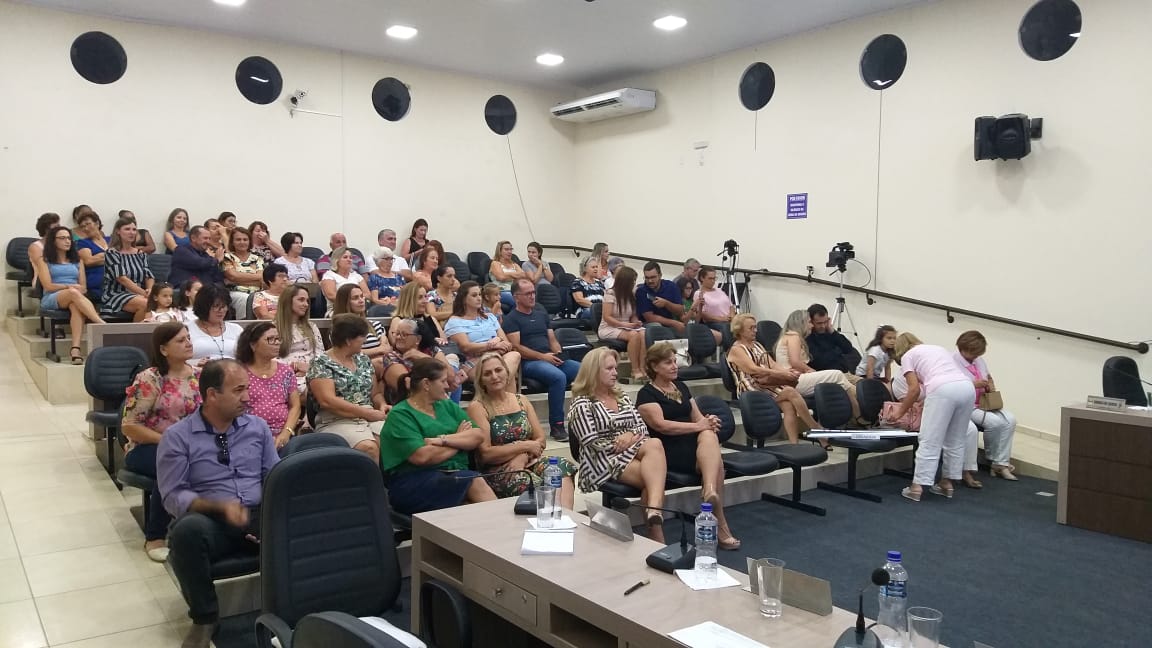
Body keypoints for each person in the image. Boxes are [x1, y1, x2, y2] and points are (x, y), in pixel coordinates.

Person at [158, 359, 279, 648]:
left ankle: (299, 606)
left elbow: (274, 475)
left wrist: (272, 512)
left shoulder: (257, 427)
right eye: (238, 390)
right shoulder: (178, 437)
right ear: (212, 395)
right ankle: (205, 618)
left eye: (247, 388)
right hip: (214, 521)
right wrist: (219, 507)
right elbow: (174, 496)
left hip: (258, 514)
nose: (247, 397)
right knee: (185, 532)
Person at [637, 342, 740, 549]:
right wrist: (699, 426)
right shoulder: (646, 394)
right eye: (668, 362)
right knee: (717, 464)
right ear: (654, 366)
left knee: (709, 435)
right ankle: (719, 521)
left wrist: (709, 421)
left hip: (693, 445)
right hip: (666, 451)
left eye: (675, 361)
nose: (675, 366)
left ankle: (709, 491)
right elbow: (662, 426)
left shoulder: (681, 387)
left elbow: (698, 418)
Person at [566, 348, 668, 542]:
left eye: (615, 368)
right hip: (601, 461)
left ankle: (654, 512)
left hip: (629, 451)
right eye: (609, 368)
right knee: (654, 478)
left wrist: (629, 436)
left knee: (654, 443)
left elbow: (642, 428)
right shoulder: (582, 404)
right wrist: (626, 441)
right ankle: (656, 532)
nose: (615, 372)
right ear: (593, 371)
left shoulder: (622, 397)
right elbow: (592, 442)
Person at [121, 322, 201, 561]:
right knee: (173, 462)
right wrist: (170, 440)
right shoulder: (150, 378)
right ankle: (155, 536)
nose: (188, 343)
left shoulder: (199, 375)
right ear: (163, 349)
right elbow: (130, 426)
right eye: (180, 340)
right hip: (147, 446)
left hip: (192, 446)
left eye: (188, 338)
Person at [469, 352, 577, 507]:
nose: (494, 376)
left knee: (561, 467)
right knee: (537, 484)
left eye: (498, 370)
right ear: (481, 380)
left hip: (528, 459)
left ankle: (565, 516)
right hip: (500, 469)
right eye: (487, 373)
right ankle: (552, 515)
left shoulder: (521, 400)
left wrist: (523, 456)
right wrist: (525, 446)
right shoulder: (478, 407)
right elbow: (485, 454)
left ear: (507, 372)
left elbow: (541, 440)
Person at [888, 333, 976, 502]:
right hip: (967, 388)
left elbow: (913, 389)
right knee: (956, 439)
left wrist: (899, 413)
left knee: (929, 439)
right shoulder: (938, 348)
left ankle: (917, 487)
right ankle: (947, 483)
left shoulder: (907, 356)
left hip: (942, 389)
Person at [726, 314, 827, 447]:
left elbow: (772, 364)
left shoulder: (757, 345)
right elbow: (754, 369)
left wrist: (787, 372)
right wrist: (781, 373)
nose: (755, 330)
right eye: (751, 328)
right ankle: (816, 428)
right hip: (750, 388)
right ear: (740, 330)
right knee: (790, 392)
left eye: (755, 327)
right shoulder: (736, 349)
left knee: (788, 406)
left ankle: (794, 445)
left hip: (765, 384)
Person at [503, 279, 580, 441]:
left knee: (585, 370)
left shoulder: (541, 314)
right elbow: (517, 347)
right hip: (529, 362)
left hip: (549, 357)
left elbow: (552, 339)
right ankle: (557, 425)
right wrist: (543, 357)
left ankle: (585, 418)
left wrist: (557, 352)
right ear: (516, 297)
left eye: (533, 292)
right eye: (528, 293)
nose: (532, 296)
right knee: (558, 377)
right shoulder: (511, 319)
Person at [306, 314, 388, 459]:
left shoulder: (363, 359)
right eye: (362, 337)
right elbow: (327, 401)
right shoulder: (321, 363)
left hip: (368, 415)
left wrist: (382, 404)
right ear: (349, 340)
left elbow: (375, 394)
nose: (365, 340)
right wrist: (366, 413)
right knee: (368, 448)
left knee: (396, 439)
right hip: (335, 419)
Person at [954, 331, 1018, 482]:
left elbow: (988, 377)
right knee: (994, 423)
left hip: (984, 402)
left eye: (978, 353)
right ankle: (994, 460)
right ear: (963, 348)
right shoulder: (951, 362)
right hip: (966, 405)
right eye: (973, 353)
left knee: (1010, 420)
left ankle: (1001, 462)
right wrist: (973, 384)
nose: (975, 356)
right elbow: (951, 385)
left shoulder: (979, 360)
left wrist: (990, 385)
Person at [775, 309, 862, 420]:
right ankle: (860, 410)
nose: (811, 326)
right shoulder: (793, 336)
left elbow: (847, 348)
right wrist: (811, 370)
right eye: (809, 322)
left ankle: (858, 412)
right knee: (837, 375)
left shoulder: (791, 336)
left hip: (793, 378)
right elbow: (795, 362)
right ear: (801, 323)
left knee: (841, 381)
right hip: (792, 380)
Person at [37, 225, 106, 364]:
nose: (67, 241)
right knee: (73, 293)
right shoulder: (44, 260)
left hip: (75, 296)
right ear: (53, 241)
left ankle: (75, 350)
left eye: (69, 238)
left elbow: (84, 287)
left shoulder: (77, 260)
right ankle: (101, 324)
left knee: (75, 306)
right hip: (53, 296)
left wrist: (75, 290)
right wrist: (69, 287)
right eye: (62, 238)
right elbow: (48, 286)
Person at [446, 281, 521, 389]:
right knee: (508, 375)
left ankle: (501, 387)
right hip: (474, 363)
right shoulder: (455, 321)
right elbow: (466, 347)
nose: (479, 298)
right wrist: (493, 345)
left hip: (496, 357)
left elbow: (507, 343)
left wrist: (497, 341)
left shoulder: (490, 317)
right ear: (463, 299)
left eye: (480, 295)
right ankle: (508, 396)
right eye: (474, 295)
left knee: (514, 355)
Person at [237, 321, 299, 450]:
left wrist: (286, 433)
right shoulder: (239, 372)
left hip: (283, 435)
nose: (277, 343)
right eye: (270, 339)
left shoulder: (286, 371)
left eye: (278, 339)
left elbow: (295, 406)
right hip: (248, 436)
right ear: (253, 345)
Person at [382, 317, 463, 405]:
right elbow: (408, 387)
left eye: (404, 334)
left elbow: (450, 377)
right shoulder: (391, 357)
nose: (398, 337)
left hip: (437, 401)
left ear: (418, 339)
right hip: (410, 405)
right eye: (397, 333)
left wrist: (424, 358)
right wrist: (442, 385)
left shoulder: (432, 350)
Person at [597, 266, 648, 383]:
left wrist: (636, 322)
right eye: (632, 281)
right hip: (609, 327)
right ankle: (635, 370)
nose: (634, 283)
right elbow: (607, 317)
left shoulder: (631, 295)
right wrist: (625, 324)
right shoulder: (610, 294)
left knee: (643, 333)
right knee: (633, 335)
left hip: (626, 326)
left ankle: (643, 368)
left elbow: (633, 315)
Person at [100, 217, 155, 321]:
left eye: (134, 229)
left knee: (162, 302)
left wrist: (150, 290)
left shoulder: (140, 253)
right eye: (127, 229)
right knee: (146, 303)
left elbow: (148, 276)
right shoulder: (112, 253)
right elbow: (122, 278)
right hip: (116, 294)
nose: (131, 232)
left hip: (138, 294)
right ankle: (137, 331)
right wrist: (144, 293)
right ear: (118, 231)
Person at [331, 283, 392, 376]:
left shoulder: (375, 324)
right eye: (355, 298)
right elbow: (345, 353)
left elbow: (386, 348)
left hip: (381, 365)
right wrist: (379, 350)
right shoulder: (339, 329)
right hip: (352, 368)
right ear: (345, 302)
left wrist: (378, 350)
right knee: (380, 363)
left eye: (362, 296)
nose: (361, 300)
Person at [274, 284, 323, 392]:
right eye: (301, 300)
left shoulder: (312, 327)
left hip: (313, 372)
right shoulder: (273, 329)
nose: (306, 304)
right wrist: (294, 367)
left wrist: (309, 368)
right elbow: (269, 359)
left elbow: (320, 355)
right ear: (288, 301)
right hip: (285, 374)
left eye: (307, 301)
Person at [187, 284, 243, 365]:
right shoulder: (187, 329)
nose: (221, 310)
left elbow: (246, 358)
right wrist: (196, 363)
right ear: (203, 307)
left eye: (224, 306)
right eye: (216, 306)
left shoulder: (237, 329)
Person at [222, 227, 265, 316]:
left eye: (245, 239)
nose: (242, 242)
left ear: (249, 242)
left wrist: (237, 279)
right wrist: (256, 279)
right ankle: (244, 324)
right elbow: (232, 276)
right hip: (235, 293)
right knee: (245, 299)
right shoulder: (227, 257)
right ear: (232, 242)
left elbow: (262, 277)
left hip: (257, 293)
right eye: (238, 239)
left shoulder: (257, 258)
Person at [806, 303, 863, 373]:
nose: (823, 326)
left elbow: (848, 348)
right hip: (826, 374)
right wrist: (838, 352)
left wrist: (832, 331)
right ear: (811, 322)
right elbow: (820, 361)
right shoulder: (808, 337)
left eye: (825, 322)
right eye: (819, 323)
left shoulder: (830, 332)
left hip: (843, 372)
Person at [636, 261, 686, 334]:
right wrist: (674, 323)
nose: (650, 281)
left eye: (653, 277)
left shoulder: (671, 286)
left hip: (669, 323)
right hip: (650, 325)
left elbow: (680, 311)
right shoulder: (642, 291)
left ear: (660, 275)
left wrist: (666, 304)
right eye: (647, 278)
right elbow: (650, 318)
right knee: (657, 326)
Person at [690, 266, 734, 347]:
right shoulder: (699, 293)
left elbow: (731, 306)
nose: (713, 281)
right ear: (702, 278)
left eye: (714, 278)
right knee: (727, 328)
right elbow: (702, 314)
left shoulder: (719, 290)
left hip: (728, 319)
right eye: (710, 278)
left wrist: (732, 316)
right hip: (714, 322)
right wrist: (721, 319)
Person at [320, 246, 369, 314]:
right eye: (345, 257)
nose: (349, 260)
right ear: (336, 260)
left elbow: (367, 294)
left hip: (358, 311)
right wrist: (352, 301)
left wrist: (355, 300)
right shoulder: (329, 275)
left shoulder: (356, 276)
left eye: (350, 257)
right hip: (337, 311)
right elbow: (331, 295)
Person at [74, 211, 109, 301]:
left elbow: (123, 257)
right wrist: (112, 257)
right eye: (82, 227)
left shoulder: (111, 240)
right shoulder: (83, 242)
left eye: (88, 224)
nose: (86, 228)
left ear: (97, 223)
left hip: (117, 281)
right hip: (97, 284)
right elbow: (89, 261)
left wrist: (101, 256)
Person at [365, 246, 405, 314]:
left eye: (391, 259)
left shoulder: (399, 277)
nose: (390, 262)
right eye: (387, 259)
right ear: (378, 261)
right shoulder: (374, 278)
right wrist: (389, 303)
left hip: (401, 306)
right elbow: (375, 300)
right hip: (385, 308)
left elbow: (406, 295)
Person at [489, 240, 526, 310]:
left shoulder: (514, 264)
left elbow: (523, 276)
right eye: (506, 249)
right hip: (501, 291)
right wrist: (516, 276)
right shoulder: (495, 263)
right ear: (499, 251)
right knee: (517, 301)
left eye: (511, 249)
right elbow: (501, 277)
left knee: (528, 299)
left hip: (515, 290)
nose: (510, 252)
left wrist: (507, 274)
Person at [27, 212, 60, 286]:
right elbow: (43, 265)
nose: (59, 230)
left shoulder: (61, 243)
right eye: (56, 227)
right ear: (46, 230)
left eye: (59, 226)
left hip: (61, 277)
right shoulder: (35, 247)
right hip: (42, 282)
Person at [570, 255, 605, 322]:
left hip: (600, 310)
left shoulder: (599, 283)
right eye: (593, 267)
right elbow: (579, 300)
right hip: (585, 310)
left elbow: (605, 297)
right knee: (599, 314)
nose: (596, 269)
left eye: (596, 267)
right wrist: (595, 307)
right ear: (585, 268)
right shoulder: (577, 282)